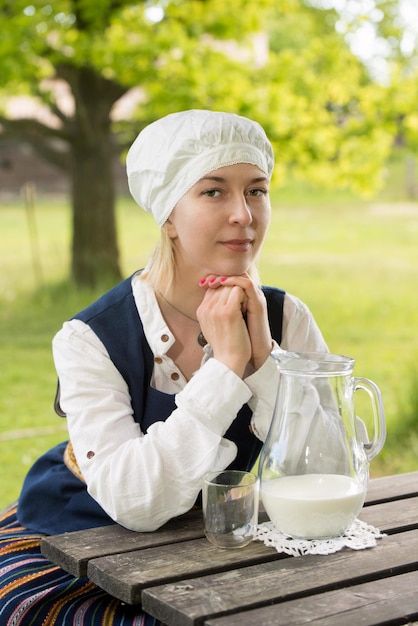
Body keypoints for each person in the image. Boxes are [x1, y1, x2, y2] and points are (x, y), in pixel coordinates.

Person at [0, 109, 328, 625]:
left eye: (257, 190)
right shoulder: (89, 338)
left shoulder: (285, 317)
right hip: (86, 527)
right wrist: (226, 370)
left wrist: (264, 356)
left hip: (219, 532)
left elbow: (326, 472)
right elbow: (135, 504)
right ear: (168, 216)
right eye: (214, 191)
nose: (244, 214)